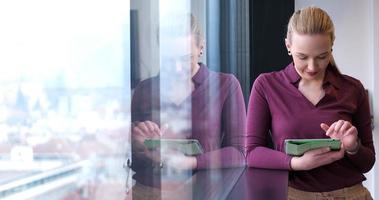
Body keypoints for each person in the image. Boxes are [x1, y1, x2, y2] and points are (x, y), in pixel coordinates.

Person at [246, 6, 375, 199]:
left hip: (352, 194)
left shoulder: (353, 88)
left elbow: (367, 162)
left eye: (322, 57)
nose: (312, 67)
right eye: (302, 57)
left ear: (332, 46)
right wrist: (296, 163)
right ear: (288, 46)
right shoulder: (266, 85)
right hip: (293, 194)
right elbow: (251, 153)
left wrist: (353, 146)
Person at [130, 14, 246, 199]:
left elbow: (240, 153)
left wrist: (190, 162)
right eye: (169, 59)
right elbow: (133, 161)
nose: (176, 68)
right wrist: (138, 147)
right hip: (147, 192)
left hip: (202, 192)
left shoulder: (226, 85)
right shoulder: (145, 90)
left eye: (185, 58)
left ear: (201, 47)